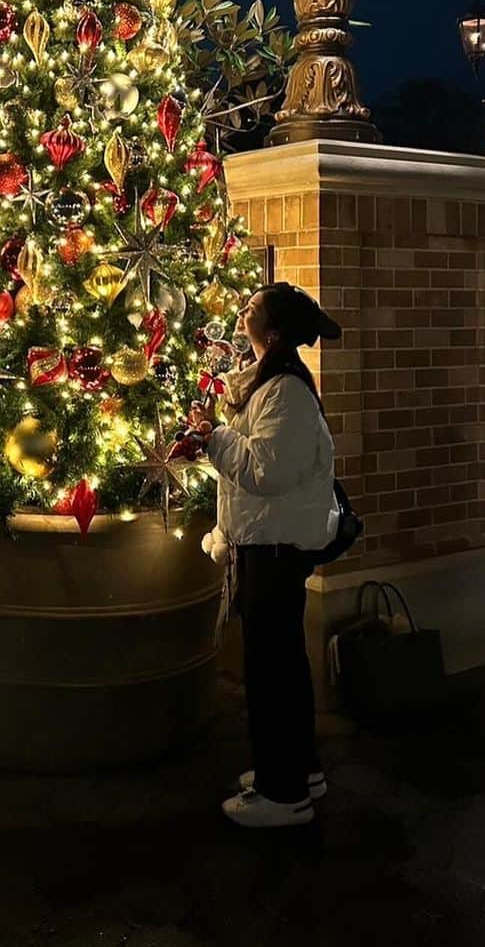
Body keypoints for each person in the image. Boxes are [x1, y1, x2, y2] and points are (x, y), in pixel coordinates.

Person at [190, 283, 339, 830]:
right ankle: (298, 770)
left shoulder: (287, 392)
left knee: (272, 672)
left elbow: (266, 471)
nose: (241, 312)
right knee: (281, 666)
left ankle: (284, 794)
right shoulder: (269, 385)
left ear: (272, 332)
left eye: (251, 309)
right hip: (265, 544)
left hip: (274, 551)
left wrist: (214, 437)